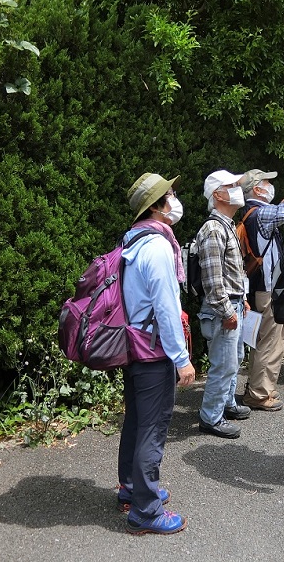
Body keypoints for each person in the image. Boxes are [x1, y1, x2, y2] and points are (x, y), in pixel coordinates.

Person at [118, 172, 196, 535]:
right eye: (171, 195)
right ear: (157, 206)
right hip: (153, 350)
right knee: (152, 427)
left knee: (136, 421)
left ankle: (130, 488)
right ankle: (146, 511)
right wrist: (182, 359)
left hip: (132, 344)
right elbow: (166, 308)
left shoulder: (131, 240)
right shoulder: (158, 246)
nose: (175, 200)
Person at [239, 161, 284, 412]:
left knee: (262, 340)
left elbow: (281, 209)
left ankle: (257, 387)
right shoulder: (261, 215)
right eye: (267, 182)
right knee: (270, 341)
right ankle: (260, 394)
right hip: (268, 289)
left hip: (258, 288)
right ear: (257, 189)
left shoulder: (253, 213)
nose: (271, 185)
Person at [196, 170, 251, 438]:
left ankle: (226, 404)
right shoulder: (213, 229)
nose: (237, 189)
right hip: (222, 309)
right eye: (231, 186)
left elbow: (232, 272)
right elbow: (212, 280)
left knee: (234, 360)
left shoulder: (226, 225)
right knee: (223, 364)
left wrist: (243, 299)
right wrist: (228, 311)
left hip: (233, 305)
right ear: (217, 194)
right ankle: (211, 417)